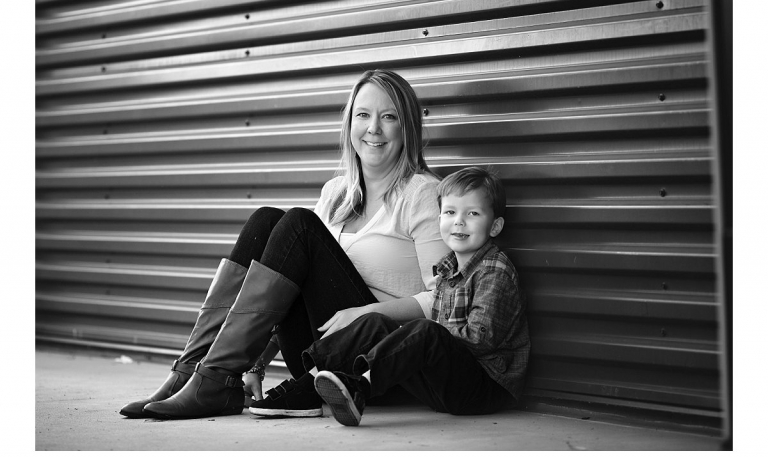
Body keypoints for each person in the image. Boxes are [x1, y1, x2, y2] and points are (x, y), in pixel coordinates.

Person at [119, 69, 449, 420]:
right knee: (266, 220)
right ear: (349, 123)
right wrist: (257, 365)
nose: (374, 128)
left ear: (407, 126)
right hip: (315, 356)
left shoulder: (422, 194)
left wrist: (365, 312)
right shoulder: (335, 193)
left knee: (298, 225)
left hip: (374, 363)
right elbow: (286, 283)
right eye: (363, 115)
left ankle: (211, 381)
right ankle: (193, 371)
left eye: (389, 117)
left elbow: (445, 298)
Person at [303, 166, 530, 426]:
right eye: (450, 212)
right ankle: (305, 381)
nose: (459, 221)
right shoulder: (447, 269)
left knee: (425, 331)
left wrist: (422, 332)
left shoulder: (494, 271)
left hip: (485, 387)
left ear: (495, 226)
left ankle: (358, 389)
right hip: (444, 385)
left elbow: (480, 340)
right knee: (375, 320)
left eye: (473, 214)